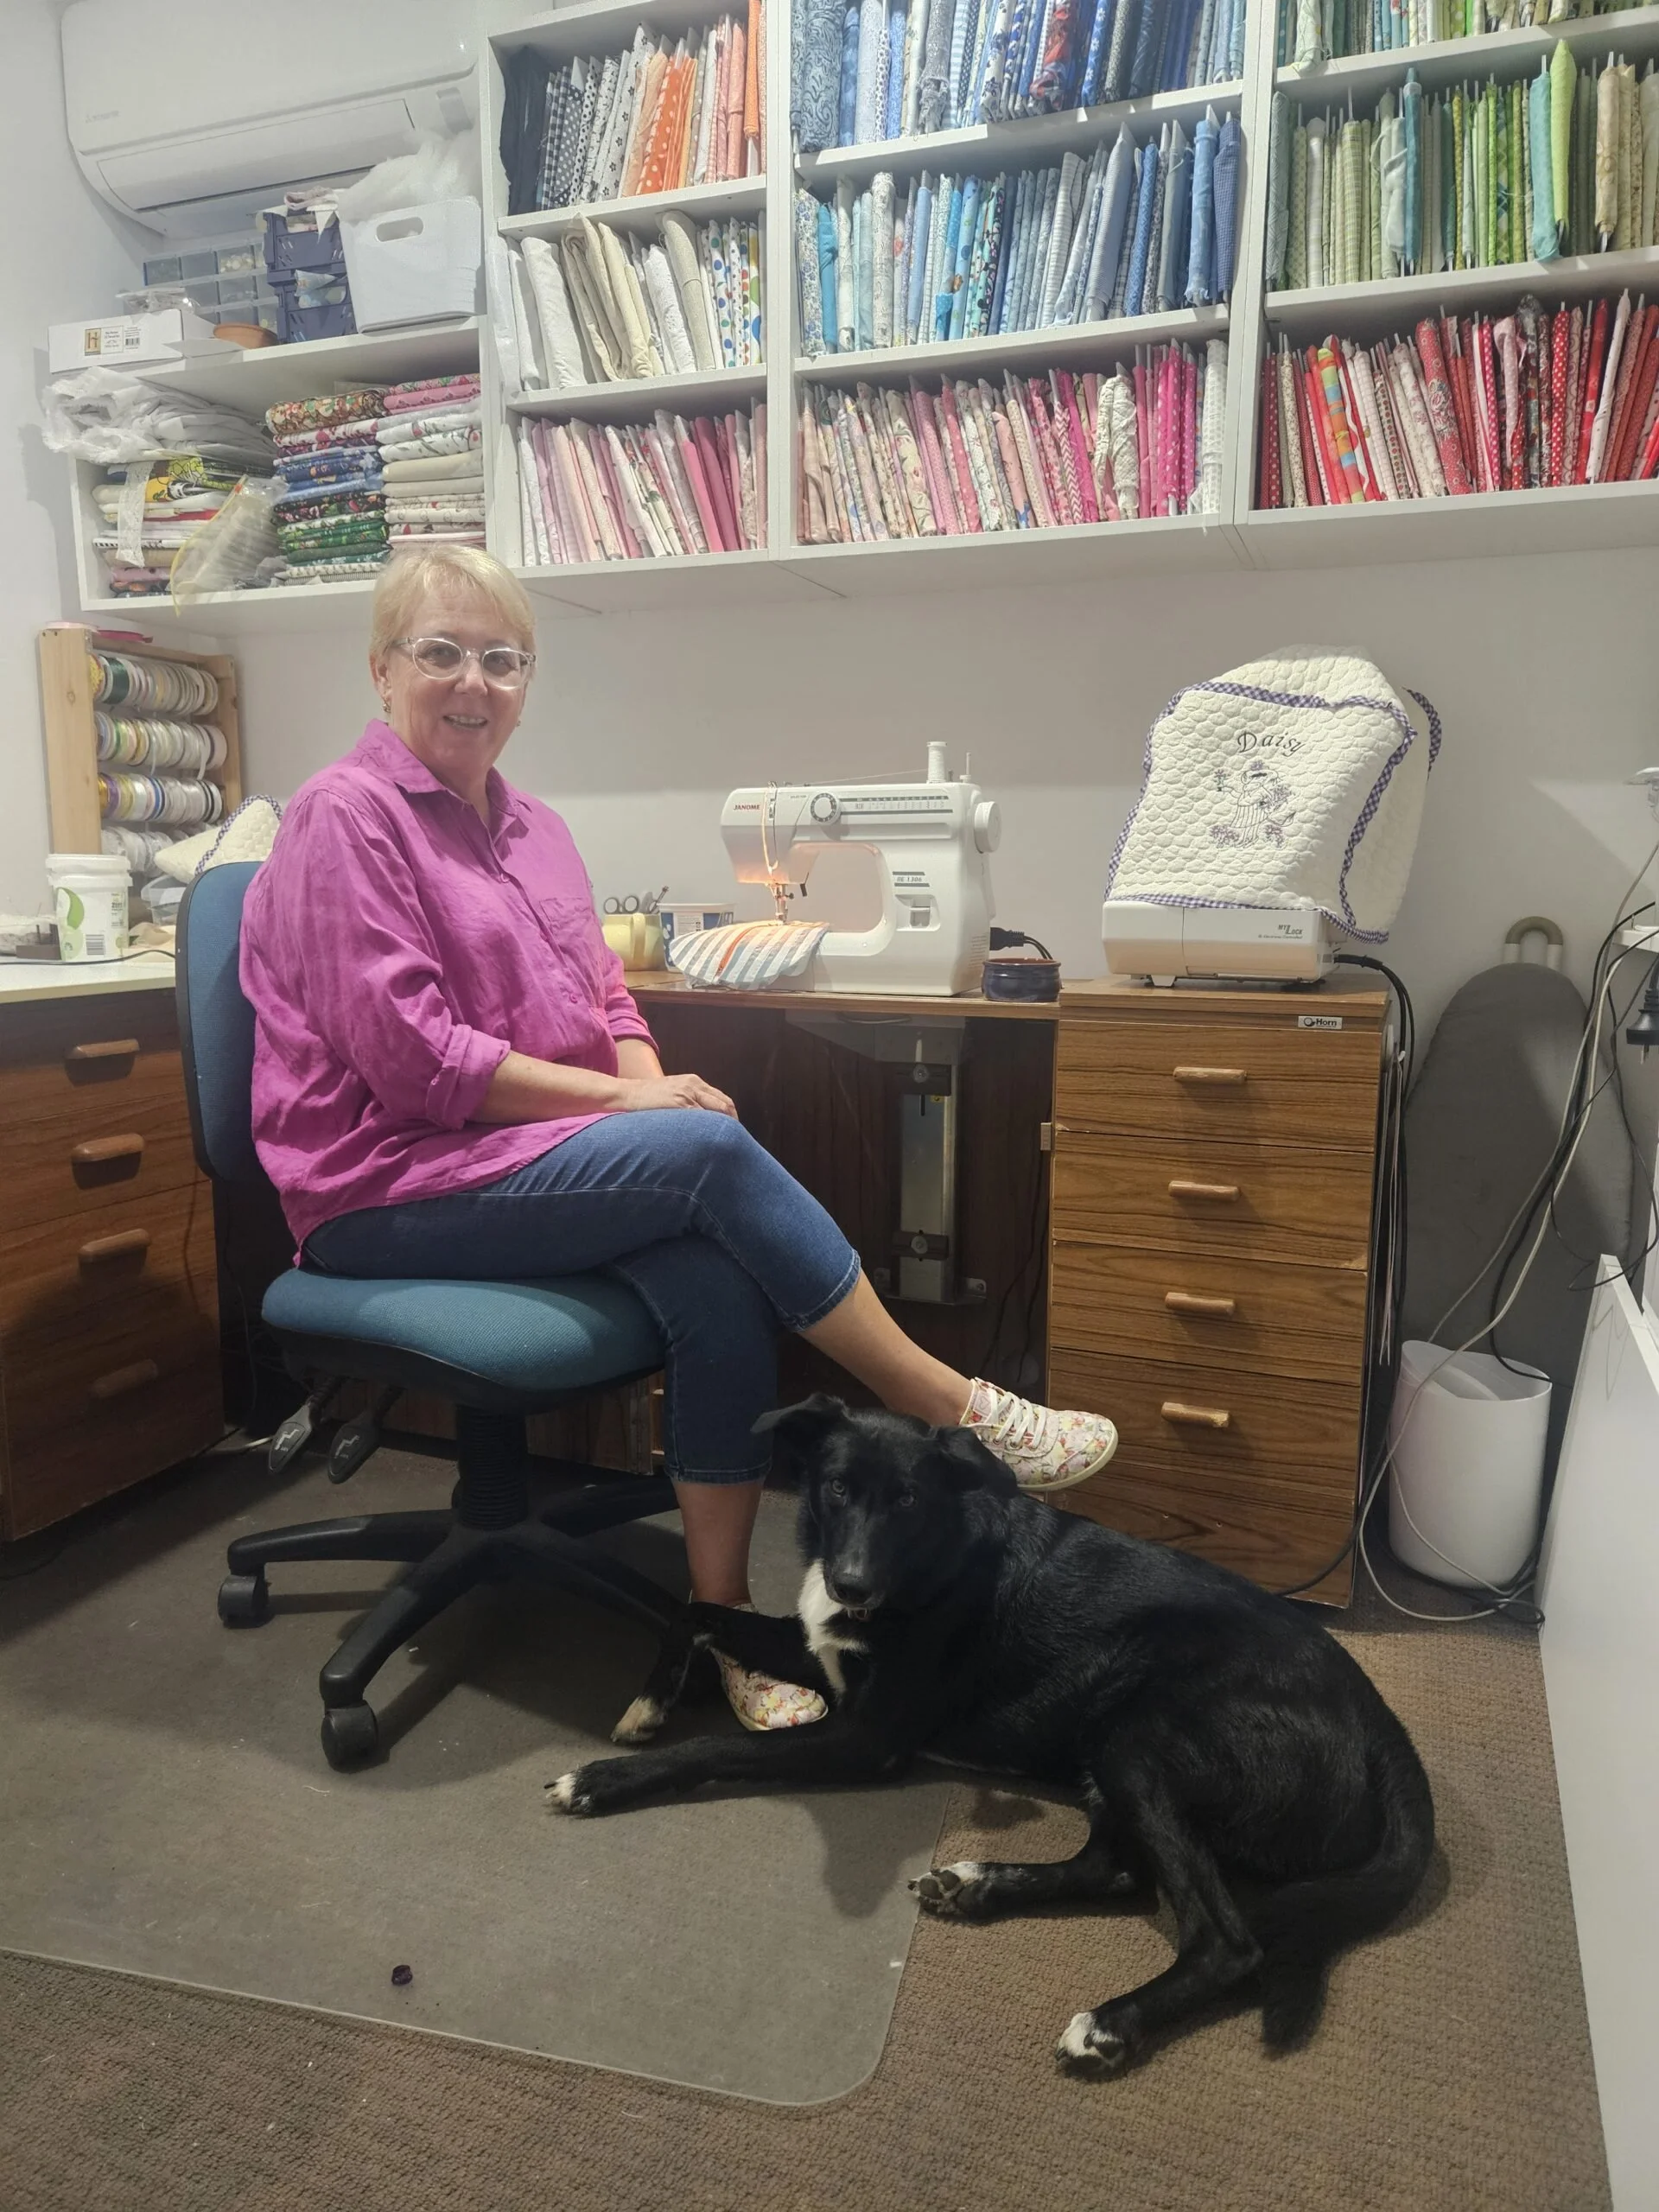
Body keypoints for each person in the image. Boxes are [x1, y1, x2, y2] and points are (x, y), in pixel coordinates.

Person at [240, 547, 1118, 1733]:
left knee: (713, 1271)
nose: (474, 682)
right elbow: (416, 1063)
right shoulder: (344, 820)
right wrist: (626, 1111)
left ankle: (718, 1623)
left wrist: (650, 1082)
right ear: (382, 669)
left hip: (502, 1157)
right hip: (377, 1183)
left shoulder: (535, 826)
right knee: (703, 1157)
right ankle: (951, 1404)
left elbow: (606, 996)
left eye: (504, 659)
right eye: (441, 652)